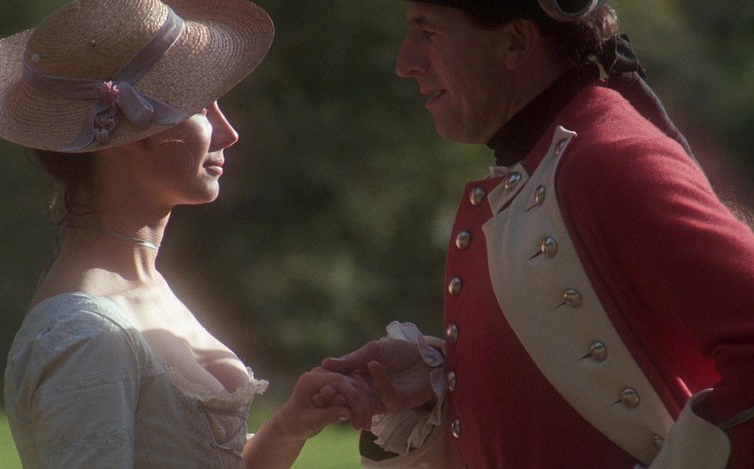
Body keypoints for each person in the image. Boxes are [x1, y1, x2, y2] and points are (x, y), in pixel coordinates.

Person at [323, 0, 754, 467]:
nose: (405, 62)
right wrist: (446, 380)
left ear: (515, 42)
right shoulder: (549, 166)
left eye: (427, 32)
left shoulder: (612, 161)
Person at [0, 0, 372, 467]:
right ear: (129, 135)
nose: (228, 132)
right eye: (201, 108)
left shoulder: (140, 286)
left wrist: (288, 427)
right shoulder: (83, 335)